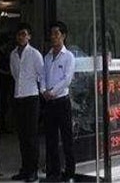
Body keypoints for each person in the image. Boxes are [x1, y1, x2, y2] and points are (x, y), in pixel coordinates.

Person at [41, 21, 76, 182]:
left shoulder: (69, 56)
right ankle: (53, 172)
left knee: (67, 138)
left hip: (62, 102)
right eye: (52, 33)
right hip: (49, 103)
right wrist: (43, 91)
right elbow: (42, 76)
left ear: (63, 36)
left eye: (57, 33)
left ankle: (69, 173)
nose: (53, 36)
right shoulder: (47, 57)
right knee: (51, 139)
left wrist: (52, 92)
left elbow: (67, 79)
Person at [9, 23, 44, 183]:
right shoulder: (13, 54)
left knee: (31, 136)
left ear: (29, 36)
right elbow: (14, 74)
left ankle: (33, 170)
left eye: (24, 34)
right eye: (19, 34)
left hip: (31, 97)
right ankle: (24, 169)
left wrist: (42, 91)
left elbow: (41, 74)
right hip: (18, 97)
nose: (21, 37)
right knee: (22, 136)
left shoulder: (34, 54)